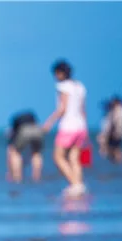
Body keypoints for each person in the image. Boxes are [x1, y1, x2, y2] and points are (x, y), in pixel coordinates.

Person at [42, 59, 88, 197]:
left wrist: (48, 123)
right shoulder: (80, 86)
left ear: (60, 73)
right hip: (81, 126)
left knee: (58, 157)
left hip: (68, 126)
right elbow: (83, 109)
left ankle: (75, 184)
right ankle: (78, 184)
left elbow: (62, 108)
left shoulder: (63, 86)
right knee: (74, 158)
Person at [6, 111, 44, 183]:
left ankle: (17, 177)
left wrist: (9, 171)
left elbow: (11, 148)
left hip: (24, 130)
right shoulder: (31, 117)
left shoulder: (15, 123)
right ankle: (37, 176)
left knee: (15, 153)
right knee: (36, 153)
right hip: (37, 129)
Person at [98, 96, 122, 164]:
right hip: (120, 133)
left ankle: (116, 162)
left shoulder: (118, 111)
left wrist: (109, 133)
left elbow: (114, 123)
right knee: (117, 149)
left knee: (114, 148)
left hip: (115, 133)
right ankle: (118, 164)